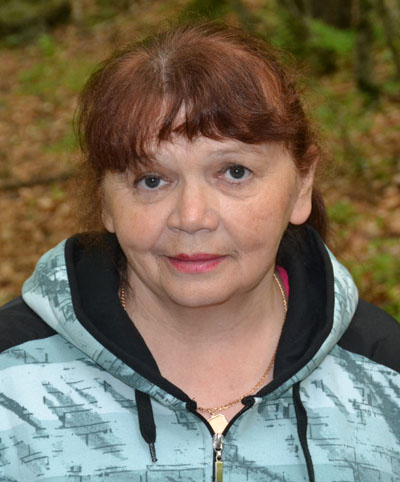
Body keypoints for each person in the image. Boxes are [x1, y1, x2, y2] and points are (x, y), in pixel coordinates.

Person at [0, 22, 399, 482]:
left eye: (234, 172)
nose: (191, 217)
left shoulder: (385, 374)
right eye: (152, 180)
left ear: (302, 183)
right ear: (105, 201)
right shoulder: (12, 377)